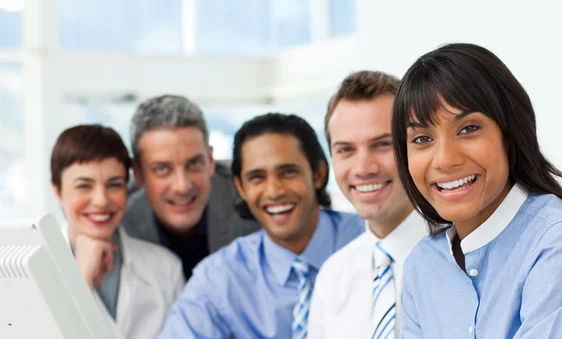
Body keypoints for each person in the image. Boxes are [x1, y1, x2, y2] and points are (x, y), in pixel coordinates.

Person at [392, 43, 562, 339]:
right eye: (422, 138)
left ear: (509, 133)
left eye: (468, 129)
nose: (445, 159)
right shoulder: (422, 264)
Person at [156, 113, 365, 339]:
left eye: (288, 172)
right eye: (257, 177)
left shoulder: (369, 240)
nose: (274, 191)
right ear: (241, 187)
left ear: (318, 174)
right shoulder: (219, 277)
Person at [307, 71, 428, 339]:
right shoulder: (333, 276)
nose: (363, 168)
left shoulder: (465, 256)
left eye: (383, 144)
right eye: (346, 150)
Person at [50, 124, 184, 339]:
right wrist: (81, 278)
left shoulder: (166, 268)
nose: (101, 200)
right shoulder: (28, 269)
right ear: (57, 191)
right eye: (84, 186)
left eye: (114, 184)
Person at [121, 95, 260, 280]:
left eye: (194, 164)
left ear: (210, 160)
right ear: (137, 173)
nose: (182, 186)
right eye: (162, 169)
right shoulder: (118, 223)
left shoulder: (254, 199)